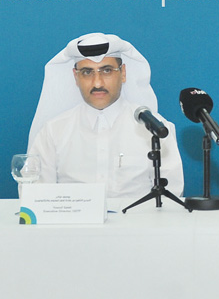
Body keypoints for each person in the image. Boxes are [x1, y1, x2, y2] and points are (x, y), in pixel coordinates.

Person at [27, 33, 184, 199]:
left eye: (107, 71)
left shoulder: (154, 128)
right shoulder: (53, 131)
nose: (97, 83)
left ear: (123, 73)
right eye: (87, 72)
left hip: (139, 217)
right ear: (76, 77)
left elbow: (171, 196)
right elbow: (37, 196)